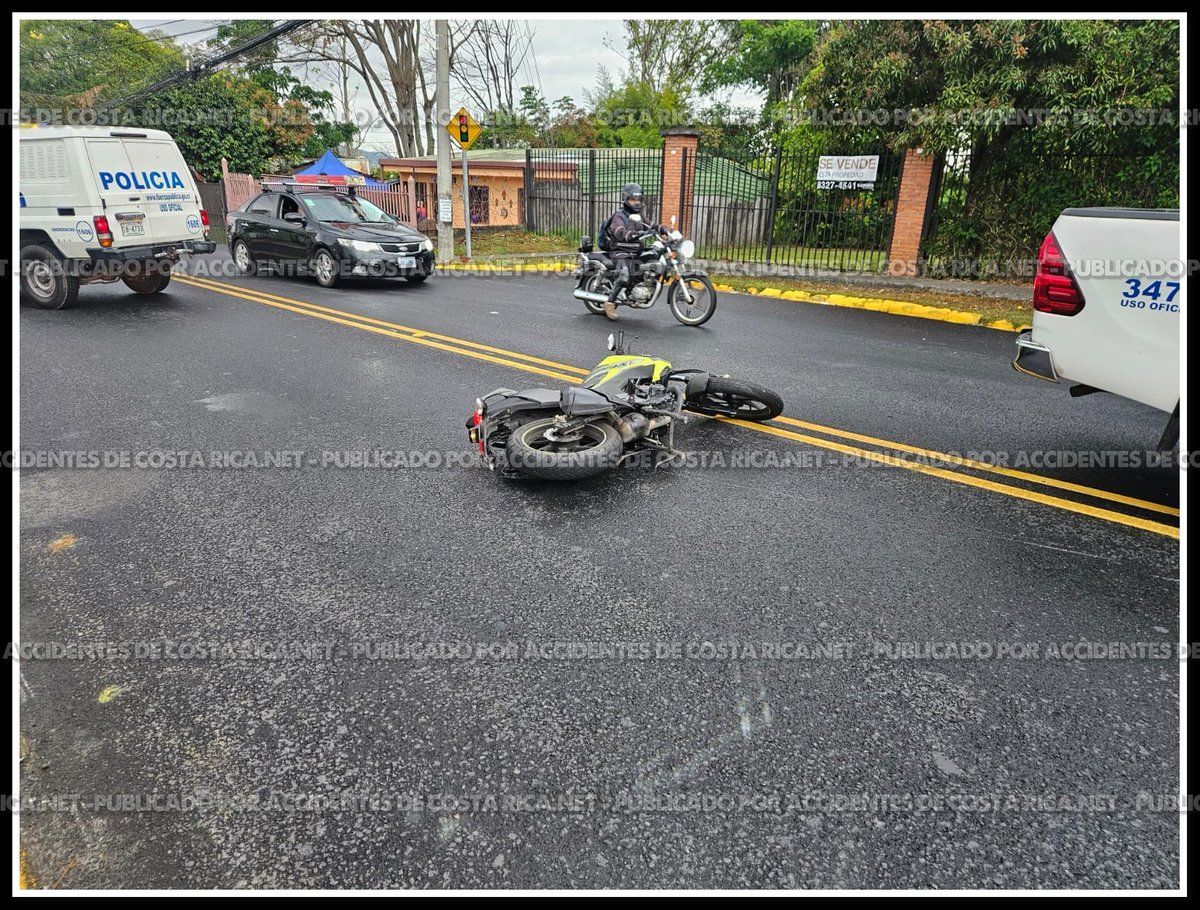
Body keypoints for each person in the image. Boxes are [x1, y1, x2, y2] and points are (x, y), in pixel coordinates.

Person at [602, 183, 658, 321]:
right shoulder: (619, 216)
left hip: (634, 252)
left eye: (638, 199)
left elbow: (651, 225)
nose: (636, 202)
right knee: (625, 274)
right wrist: (632, 234)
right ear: (626, 200)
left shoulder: (638, 216)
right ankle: (610, 303)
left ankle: (636, 288)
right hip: (620, 251)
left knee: (651, 258)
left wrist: (665, 230)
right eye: (633, 199)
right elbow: (620, 232)